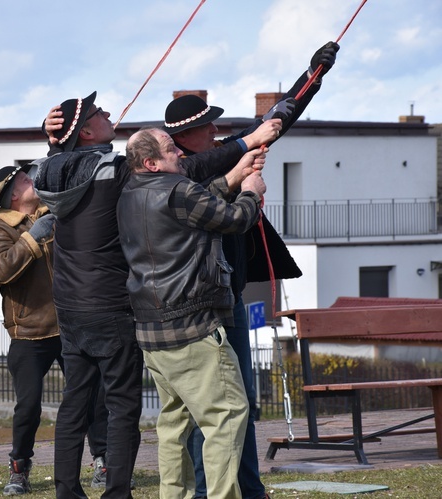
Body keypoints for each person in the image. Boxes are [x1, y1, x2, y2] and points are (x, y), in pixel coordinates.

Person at [33, 91, 278, 499]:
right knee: (203, 414)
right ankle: (119, 493)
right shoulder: (116, 175)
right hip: (129, 308)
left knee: (100, 408)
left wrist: (56, 142)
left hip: (79, 307)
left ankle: (71, 492)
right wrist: (244, 155)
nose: (110, 111)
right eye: (99, 112)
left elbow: (178, 198)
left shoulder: (56, 173)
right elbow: (185, 187)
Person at [164, 41, 339, 499]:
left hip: (230, 299)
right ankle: (208, 490)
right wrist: (247, 171)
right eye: (207, 124)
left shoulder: (217, 154)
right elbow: (219, 164)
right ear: (188, 135)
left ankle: (248, 487)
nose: (217, 128)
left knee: (239, 407)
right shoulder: (180, 172)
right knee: (215, 411)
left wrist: (312, 77)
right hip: (205, 307)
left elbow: (274, 123)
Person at [116, 127, 267, 499]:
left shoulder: (129, 194)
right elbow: (232, 219)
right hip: (193, 328)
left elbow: (193, 207)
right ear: (151, 163)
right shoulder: (178, 190)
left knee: (174, 424)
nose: (179, 155)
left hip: (152, 333)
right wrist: (251, 192)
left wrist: (234, 176)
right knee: (227, 416)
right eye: (170, 150)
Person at [0, 164, 108, 495]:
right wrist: (32, 237)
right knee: (29, 406)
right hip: (29, 332)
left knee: (93, 398)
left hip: (69, 324)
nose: (32, 181)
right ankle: (19, 468)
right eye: (25, 180)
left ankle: (103, 462)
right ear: (12, 193)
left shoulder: (52, 213)